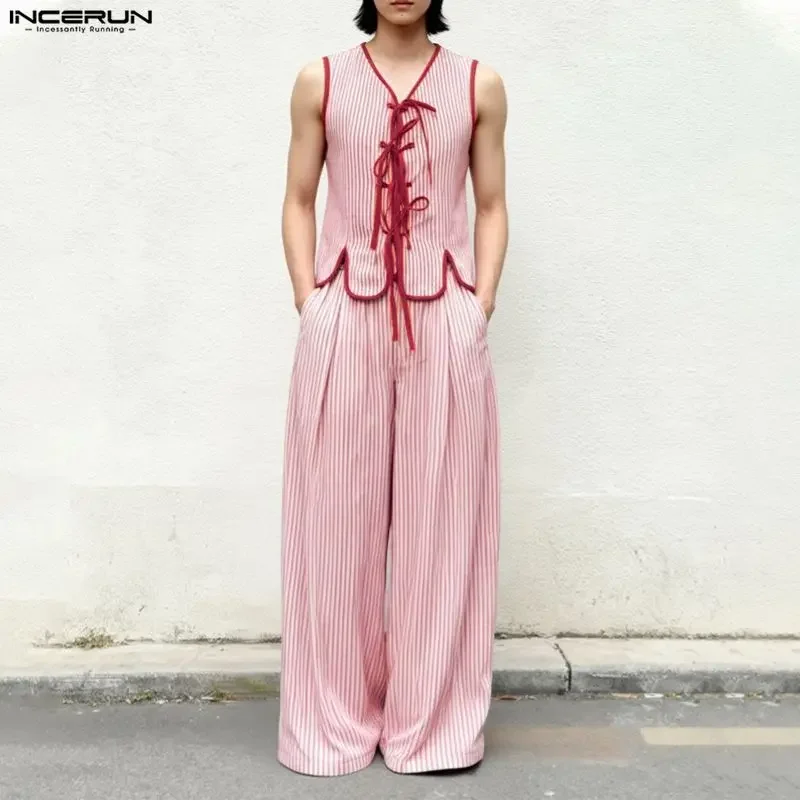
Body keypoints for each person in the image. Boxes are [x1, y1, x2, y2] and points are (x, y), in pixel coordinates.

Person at [278, 0, 508, 777]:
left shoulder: (478, 85)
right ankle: (331, 724)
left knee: (443, 525)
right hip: (346, 311)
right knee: (333, 526)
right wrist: (310, 301)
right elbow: (299, 199)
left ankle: (431, 727)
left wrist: (479, 305)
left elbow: (491, 204)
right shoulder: (321, 80)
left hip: (443, 316)